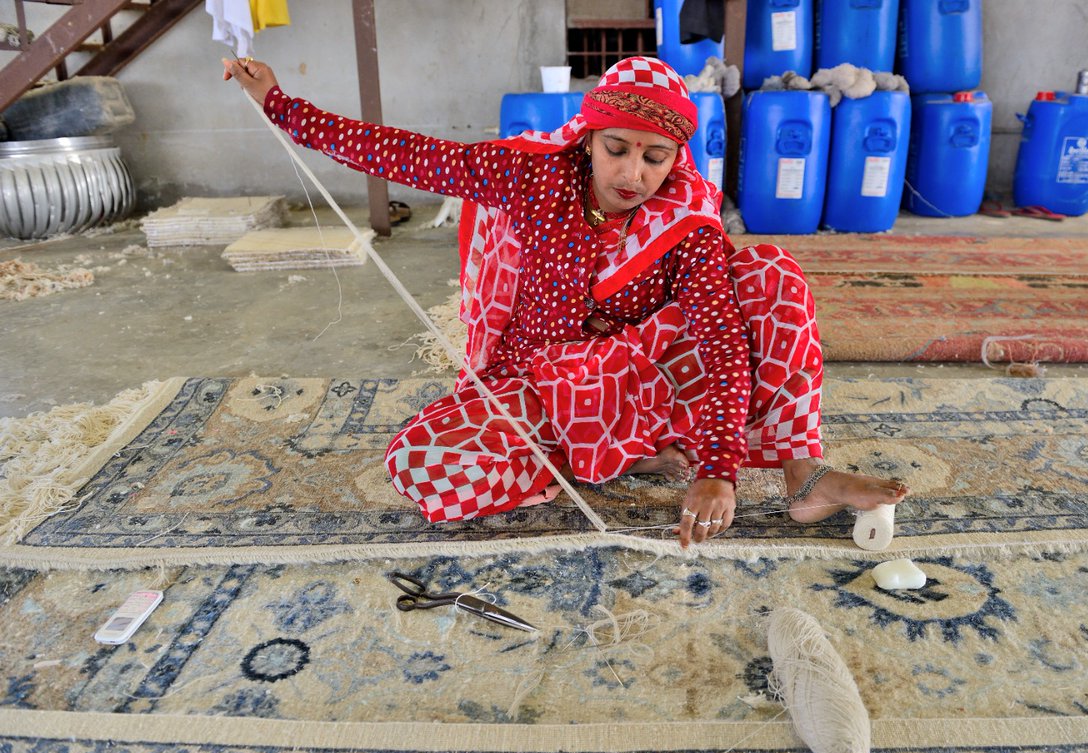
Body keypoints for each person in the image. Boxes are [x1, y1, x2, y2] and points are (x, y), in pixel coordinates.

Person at [223, 55, 908, 548]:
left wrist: (722, 472)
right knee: (417, 461)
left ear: (677, 158)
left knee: (768, 272)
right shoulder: (528, 174)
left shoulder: (687, 217)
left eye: (655, 157)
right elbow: (405, 154)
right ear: (586, 137)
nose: (633, 174)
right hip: (545, 383)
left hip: (648, 383)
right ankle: (614, 457)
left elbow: (723, 340)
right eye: (616, 150)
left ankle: (803, 475)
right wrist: (282, 106)